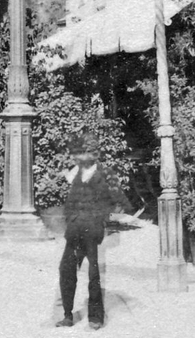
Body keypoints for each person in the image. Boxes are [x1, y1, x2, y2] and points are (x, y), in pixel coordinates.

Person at [56, 135, 123, 330]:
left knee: (94, 274)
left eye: (86, 153)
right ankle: (67, 315)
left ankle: (96, 318)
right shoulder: (77, 172)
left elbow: (113, 201)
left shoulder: (105, 174)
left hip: (92, 230)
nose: (81, 157)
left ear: (95, 155)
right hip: (74, 230)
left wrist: (100, 218)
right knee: (66, 270)